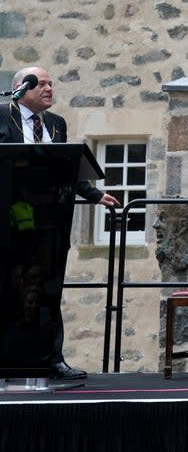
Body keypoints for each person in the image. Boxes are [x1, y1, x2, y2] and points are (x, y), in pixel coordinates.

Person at [0, 67, 120, 380]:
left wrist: (94, 194)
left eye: (51, 83)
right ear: (20, 88)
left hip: (49, 222)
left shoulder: (56, 124)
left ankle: (51, 359)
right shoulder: (2, 116)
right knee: (8, 288)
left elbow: (66, 168)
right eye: (40, 84)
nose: (49, 88)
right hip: (8, 220)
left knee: (48, 290)